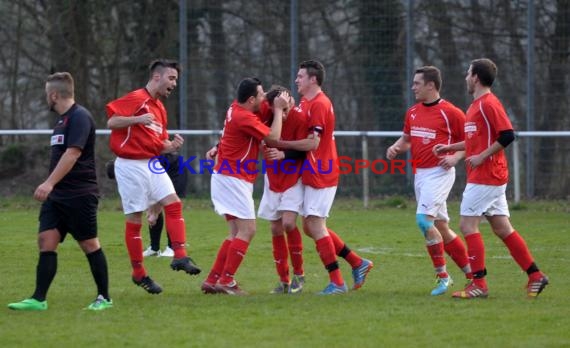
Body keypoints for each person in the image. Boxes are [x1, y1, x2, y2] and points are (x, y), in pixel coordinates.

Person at [434, 58, 549, 299]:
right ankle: (535, 275)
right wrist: (449, 148)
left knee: (467, 226)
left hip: (486, 175)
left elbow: (507, 135)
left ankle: (479, 284)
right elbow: (475, 141)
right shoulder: (476, 106)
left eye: (468, 73)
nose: (466, 77)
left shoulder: (488, 104)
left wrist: (482, 156)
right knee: (502, 228)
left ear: (476, 77)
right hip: (489, 176)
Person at [8, 72, 112, 311]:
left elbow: (72, 154)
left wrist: (48, 183)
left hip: (79, 194)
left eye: (47, 95)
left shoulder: (80, 117)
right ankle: (38, 299)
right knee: (46, 240)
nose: (46, 99)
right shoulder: (61, 121)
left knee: (89, 244)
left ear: (54, 95)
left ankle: (104, 298)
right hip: (58, 197)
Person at [269, 60, 373, 295]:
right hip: (312, 171)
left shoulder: (319, 104)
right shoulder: (306, 102)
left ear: (312, 79)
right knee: (310, 226)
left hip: (322, 171)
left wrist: (280, 145)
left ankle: (337, 282)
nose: (296, 80)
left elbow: (313, 143)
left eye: (300, 76)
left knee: (315, 225)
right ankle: (357, 263)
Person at [106, 59, 200, 295]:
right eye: (171, 78)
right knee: (135, 220)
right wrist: (136, 119)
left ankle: (179, 256)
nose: (174, 84)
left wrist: (171, 146)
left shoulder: (159, 108)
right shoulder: (137, 98)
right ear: (156, 77)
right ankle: (139, 273)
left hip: (151, 162)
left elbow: (160, 145)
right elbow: (112, 121)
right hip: (130, 165)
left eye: (176, 79)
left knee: (174, 203)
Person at [386, 66, 472, 296]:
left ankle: (443, 277)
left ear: (431, 85)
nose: (413, 87)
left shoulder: (451, 112)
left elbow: (471, 141)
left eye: (417, 83)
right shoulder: (413, 112)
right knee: (441, 227)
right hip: (421, 175)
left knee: (424, 222)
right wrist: (396, 147)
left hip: (439, 173)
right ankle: (472, 274)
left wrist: (455, 157)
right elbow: (406, 140)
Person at [201, 77, 288, 295]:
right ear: (251, 100)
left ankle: (212, 280)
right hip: (233, 179)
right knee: (248, 230)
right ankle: (227, 281)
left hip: (226, 177)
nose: (263, 97)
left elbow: (234, 136)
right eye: (260, 95)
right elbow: (273, 137)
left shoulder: (236, 107)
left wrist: (217, 147)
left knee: (235, 233)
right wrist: (278, 111)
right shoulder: (243, 116)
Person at [257, 85, 306, 294]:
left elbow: (306, 149)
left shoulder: (301, 118)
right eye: (280, 110)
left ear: (292, 102)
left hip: (294, 178)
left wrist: (285, 155)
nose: (284, 114)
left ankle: (300, 275)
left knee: (288, 223)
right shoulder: (267, 117)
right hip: (272, 177)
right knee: (275, 228)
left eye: (287, 109)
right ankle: (283, 280)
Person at [142, 152, 187, 258]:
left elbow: (160, 198)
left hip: (176, 170)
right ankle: (154, 248)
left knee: (170, 206)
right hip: (161, 172)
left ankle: (172, 248)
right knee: (153, 208)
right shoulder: (139, 167)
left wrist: (155, 212)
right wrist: (152, 210)